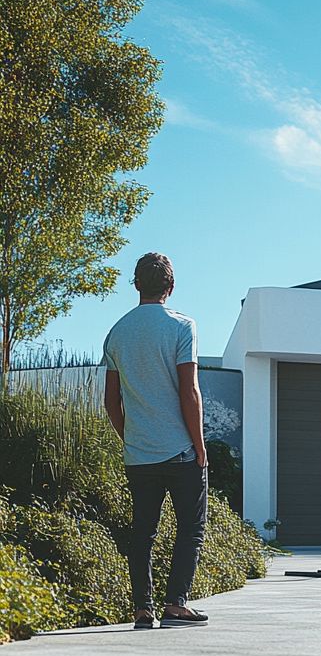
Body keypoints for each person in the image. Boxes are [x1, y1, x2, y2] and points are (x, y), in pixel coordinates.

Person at [103, 253, 210, 630]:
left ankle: (142, 609)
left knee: (143, 530)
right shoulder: (183, 326)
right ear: (171, 286)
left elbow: (110, 401)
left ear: (136, 285)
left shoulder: (117, 332)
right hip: (181, 451)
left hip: (139, 455)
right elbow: (189, 393)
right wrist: (199, 445)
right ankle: (176, 604)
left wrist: (131, 437)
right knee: (191, 528)